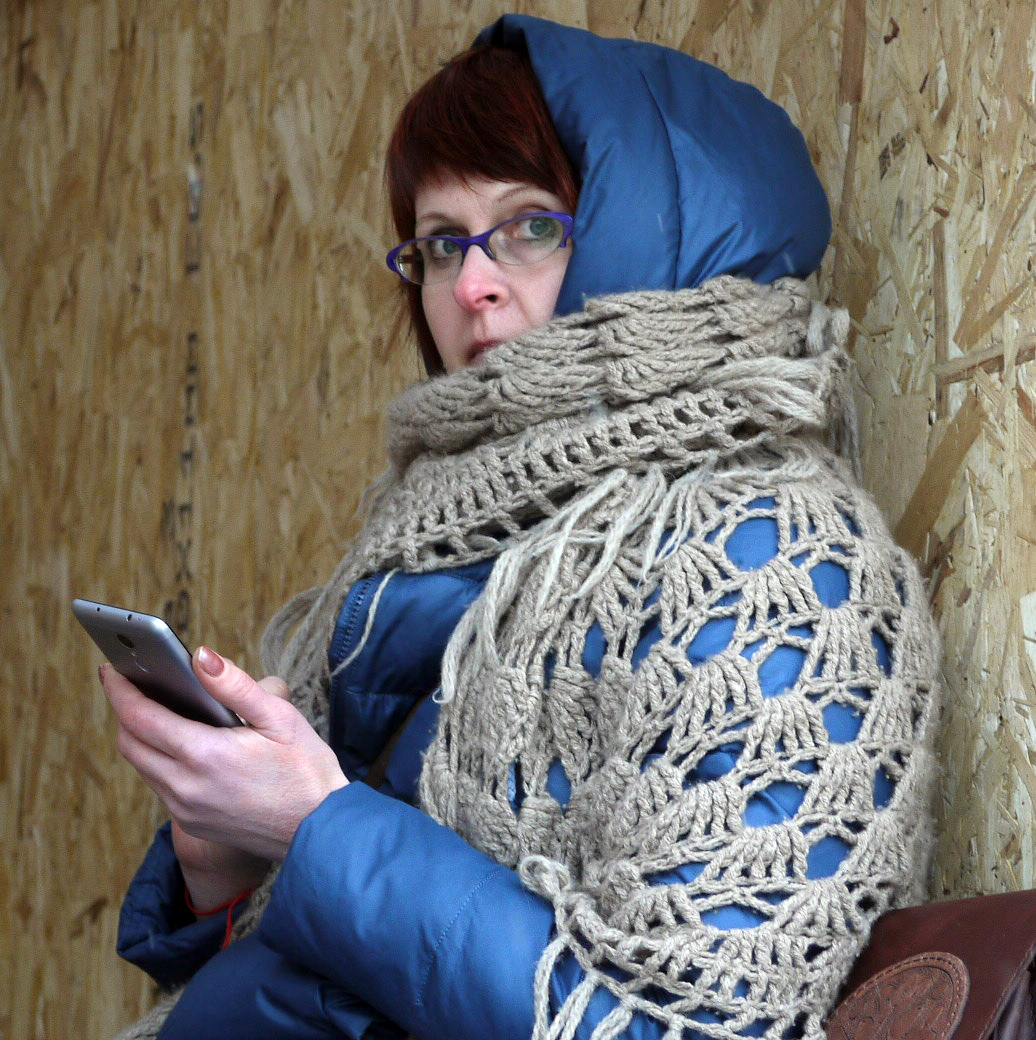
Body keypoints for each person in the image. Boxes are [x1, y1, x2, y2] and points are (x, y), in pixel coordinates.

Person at [102, 15, 941, 1040]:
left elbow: (681, 1024)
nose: (470, 284)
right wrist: (222, 865)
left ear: (656, 236)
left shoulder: (772, 560)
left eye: (531, 227)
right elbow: (320, 976)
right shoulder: (428, 539)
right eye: (440, 242)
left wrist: (319, 827)